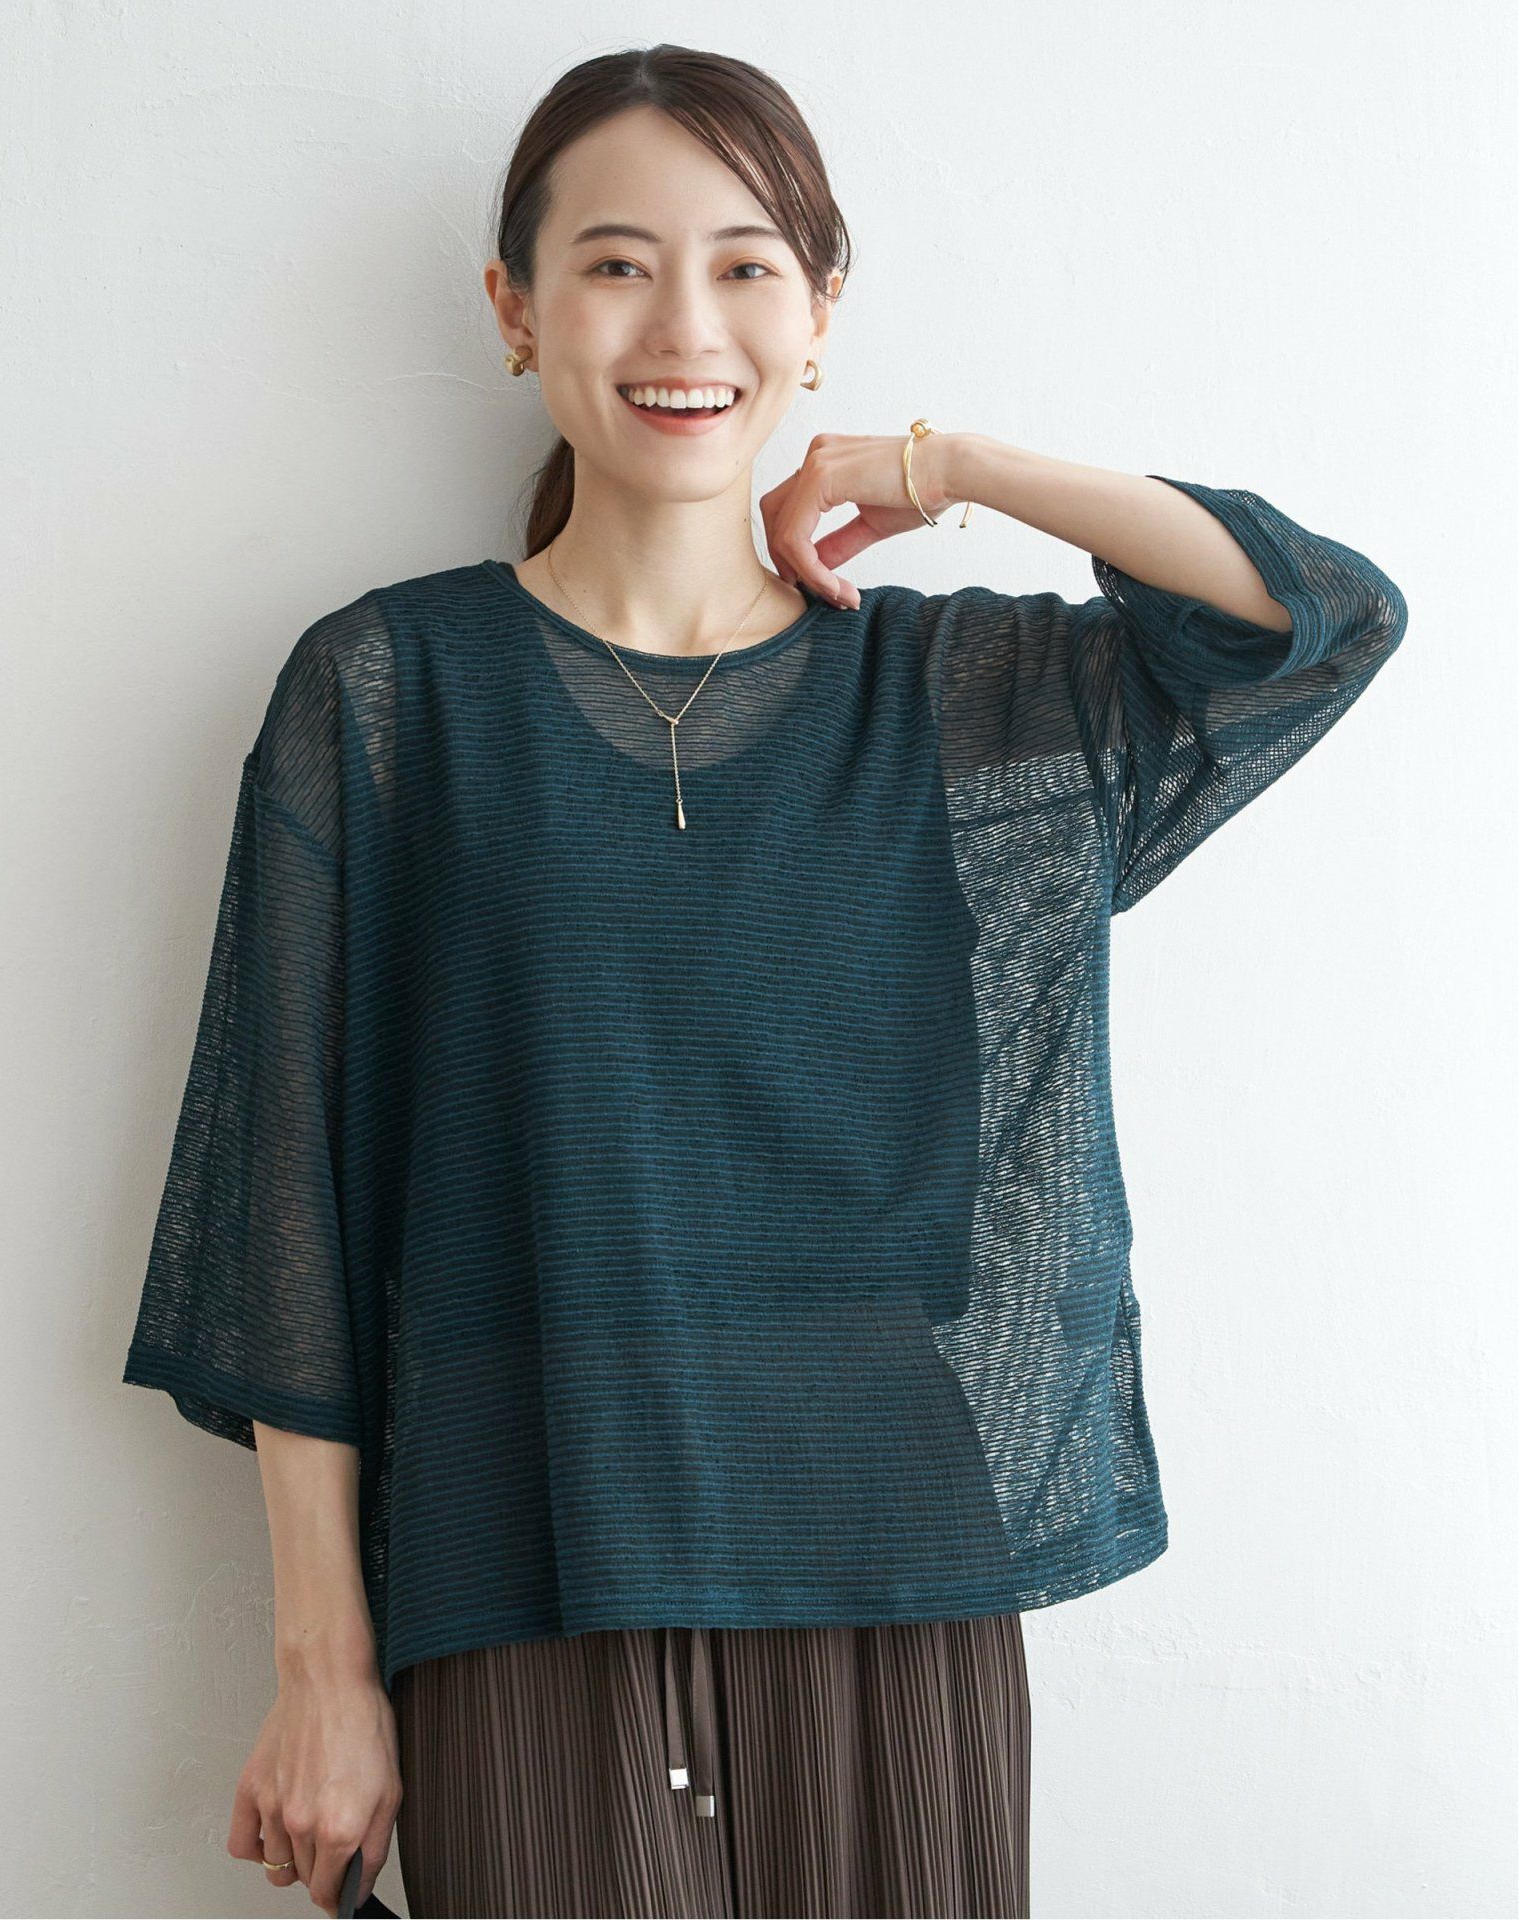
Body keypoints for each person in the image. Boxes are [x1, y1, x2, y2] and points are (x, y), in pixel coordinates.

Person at [121, 42, 1408, 1920]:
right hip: (524, 1540)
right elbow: (286, 1209)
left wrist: (941, 467)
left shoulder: (950, 697)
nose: (683, 323)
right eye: (615, 263)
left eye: (745, 266)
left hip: (885, 1542)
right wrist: (323, 1668)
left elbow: (1316, 623)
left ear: (819, 315)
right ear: (515, 309)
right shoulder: (391, 694)